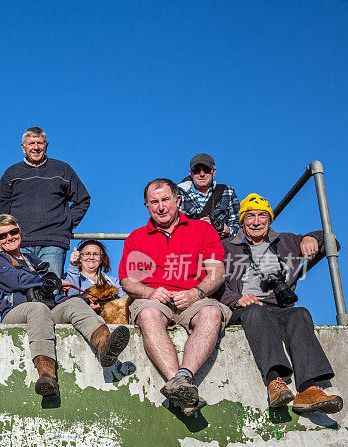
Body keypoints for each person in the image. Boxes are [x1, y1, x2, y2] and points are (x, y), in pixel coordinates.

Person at [219, 193, 343, 414]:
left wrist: (311, 237)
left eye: (262, 216)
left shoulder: (286, 241)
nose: (256, 221)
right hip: (243, 308)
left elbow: (333, 240)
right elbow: (212, 284)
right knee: (255, 311)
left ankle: (309, 390)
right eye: (250, 216)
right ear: (242, 221)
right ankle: (276, 382)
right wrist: (236, 299)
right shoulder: (226, 247)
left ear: (269, 220)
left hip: (279, 307)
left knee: (300, 313)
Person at [0, 214, 130, 399]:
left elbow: (52, 296)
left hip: (45, 311)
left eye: (13, 232)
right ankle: (46, 375)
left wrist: (83, 301)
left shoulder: (33, 260)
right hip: (16, 313)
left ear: (20, 232)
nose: (9, 238)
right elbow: (18, 281)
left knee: (74, 302)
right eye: (2, 236)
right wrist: (48, 281)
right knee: (37, 308)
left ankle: (105, 345)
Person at [119, 178, 230, 416]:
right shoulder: (137, 237)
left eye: (166, 200)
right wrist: (150, 292)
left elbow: (217, 272)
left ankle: (183, 377)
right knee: (147, 314)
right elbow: (127, 280)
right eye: (154, 202)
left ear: (178, 200)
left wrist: (195, 293)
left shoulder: (203, 229)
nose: (161, 207)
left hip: (195, 298)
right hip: (154, 299)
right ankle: (179, 386)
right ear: (146, 206)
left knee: (212, 312)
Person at [0, 127, 91, 278]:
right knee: (21, 290)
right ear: (23, 148)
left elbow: (83, 199)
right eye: (31, 143)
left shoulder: (62, 169)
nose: (36, 147)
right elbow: (0, 211)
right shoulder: (12, 173)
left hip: (53, 242)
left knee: (49, 291)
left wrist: (67, 223)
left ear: (46, 146)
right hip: (18, 242)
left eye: (40, 143)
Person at [177, 153, 240, 238]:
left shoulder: (227, 192)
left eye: (206, 170)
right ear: (190, 173)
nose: (202, 174)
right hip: (188, 246)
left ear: (213, 171)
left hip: (219, 246)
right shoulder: (178, 193)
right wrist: (197, 226)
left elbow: (238, 225)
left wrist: (228, 230)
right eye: (196, 170)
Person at [65, 239, 125, 310]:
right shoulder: (71, 276)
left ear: (102, 259)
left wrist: (104, 303)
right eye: (87, 254)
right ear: (80, 258)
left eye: (96, 254)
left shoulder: (111, 280)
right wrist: (73, 266)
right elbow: (72, 297)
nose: (91, 257)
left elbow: (124, 294)